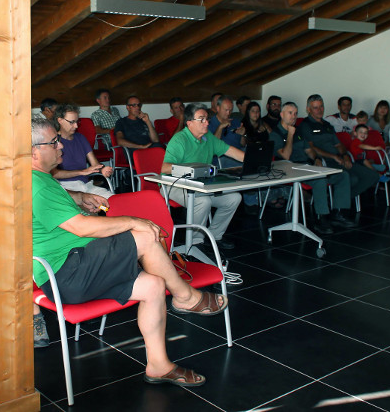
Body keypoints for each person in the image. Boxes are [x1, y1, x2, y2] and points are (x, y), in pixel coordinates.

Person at [31, 117, 226, 386]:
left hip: (80, 265)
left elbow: (58, 206)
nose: (61, 146)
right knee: (144, 235)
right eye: (55, 142)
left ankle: (159, 365)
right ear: (34, 151)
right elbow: (82, 227)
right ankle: (186, 296)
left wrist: (79, 197)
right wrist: (134, 221)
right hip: (68, 273)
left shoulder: (39, 178)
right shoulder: (36, 185)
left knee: (154, 286)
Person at [162, 103, 243, 250]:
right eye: (202, 119)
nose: (207, 122)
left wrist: (251, 160)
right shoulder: (179, 139)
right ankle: (193, 241)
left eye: (207, 119)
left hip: (200, 184)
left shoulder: (208, 137)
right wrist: (192, 169)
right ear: (189, 123)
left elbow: (229, 150)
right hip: (174, 185)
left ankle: (213, 236)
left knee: (234, 198)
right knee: (203, 202)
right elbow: (165, 168)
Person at [270, 102, 355, 234]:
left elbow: (309, 149)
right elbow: (285, 155)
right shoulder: (276, 133)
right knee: (319, 180)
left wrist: (316, 159)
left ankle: (339, 213)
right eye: (290, 113)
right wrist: (290, 135)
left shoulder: (297, 130)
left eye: (295, 113)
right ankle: (321, 219)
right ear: (282, 114)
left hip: (306, 166)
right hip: (288, 169)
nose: (293, 116)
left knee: (342, 175)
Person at [298, 94, 378, 212]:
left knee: (373, 176)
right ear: (308, 109)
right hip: (324, 161)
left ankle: (338, 199)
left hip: (339, 159)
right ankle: (339, 209)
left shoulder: (327, 125)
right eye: (315, 107)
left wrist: (345, 156)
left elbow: (338, 144)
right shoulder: (305, 125)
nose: (320, 110)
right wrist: (334, 156)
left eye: (321, 106)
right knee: (351, 178)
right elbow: (311, 147)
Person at [52, 103, 114, 200]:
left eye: (77, 122)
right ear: (60, 120)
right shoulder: (53, 141)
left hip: (85, 186)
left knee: (113, 200)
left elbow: (94, 164)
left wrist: (102, 169)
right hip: (65, 188)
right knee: (89, 207)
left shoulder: (80, 138)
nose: (76, 126)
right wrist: (82, 172)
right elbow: (54, 174)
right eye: (72, 122)